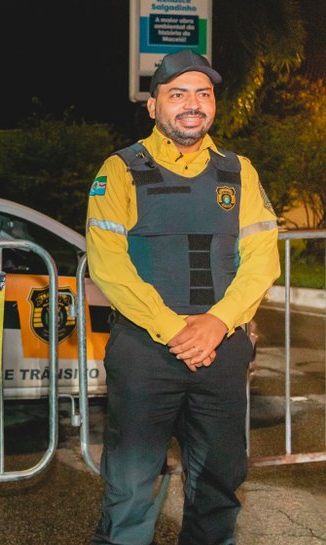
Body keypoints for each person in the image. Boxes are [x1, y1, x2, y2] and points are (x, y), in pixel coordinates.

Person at [85, 48, 280, 544]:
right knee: (131, 487)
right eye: (177, 94)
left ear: (213, 104)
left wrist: (216, 323)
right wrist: (176, 330)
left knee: (220, 482)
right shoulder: (121, 169)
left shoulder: (240, 172)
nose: (192, 104)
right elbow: (109, 265)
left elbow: (262, 260)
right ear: (154, 107)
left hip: (222, 347)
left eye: (202, 94)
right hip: (146, 351)